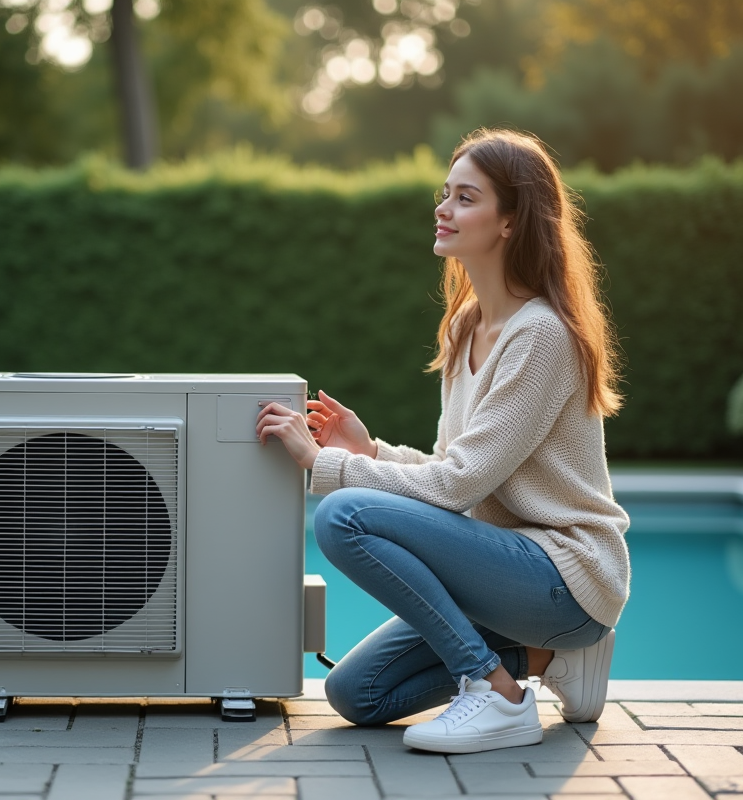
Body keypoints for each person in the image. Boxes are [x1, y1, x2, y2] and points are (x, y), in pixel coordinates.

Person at [254, 128, 630, 755]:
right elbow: (455, 471)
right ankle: (544, 657)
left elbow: (456, 487)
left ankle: (498, 692)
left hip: (566, 572)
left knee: (341, 514)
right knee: (358, 694)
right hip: (502, 566)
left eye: (465, 197)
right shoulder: (466, 325)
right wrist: (369, 452)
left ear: (510, 221)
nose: (443, 208)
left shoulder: (541, 336)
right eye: (445, 194)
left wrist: (328, 465)